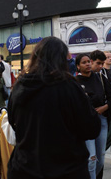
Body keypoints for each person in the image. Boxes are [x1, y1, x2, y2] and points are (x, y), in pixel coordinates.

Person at [8, 37, 101, 179]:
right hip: (66, 168)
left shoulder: (21, 85)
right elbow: (91, 128)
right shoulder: (69, 86)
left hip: (25, 167)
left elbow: (13, 122)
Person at [76, 51, 111, 179]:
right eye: (84, 62)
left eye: (88, 61)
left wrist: (103, 108)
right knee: (91, 158)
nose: (88, 64)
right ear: (78, 66)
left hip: (101, 121)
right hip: (85, 123)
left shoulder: (100, 78)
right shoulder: (75, 82)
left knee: (101, 156)